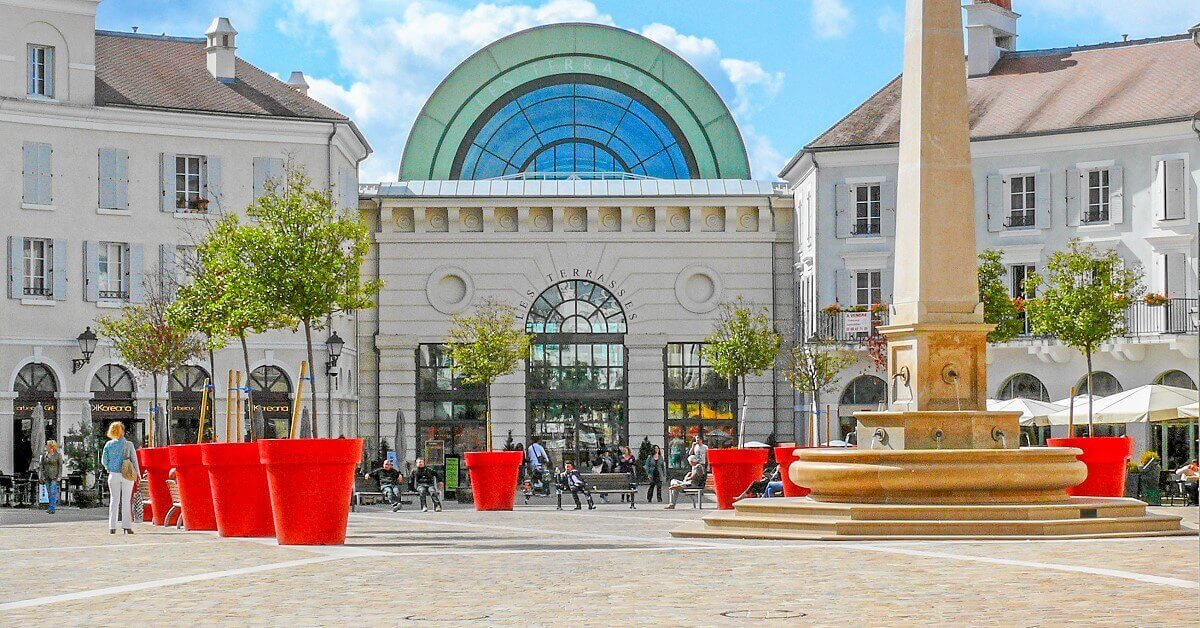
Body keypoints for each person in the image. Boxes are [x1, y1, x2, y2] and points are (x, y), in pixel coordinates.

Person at [101, 422, 139, 534]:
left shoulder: (108, 445)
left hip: (113, 474)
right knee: (126, 500)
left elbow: (104, 460)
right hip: (126, 474)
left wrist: (108, 467)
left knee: (114, 500)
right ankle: (126, 526)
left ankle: (112, 526)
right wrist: (138, 474)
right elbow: (134, 460)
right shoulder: (129, 444)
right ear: (122, 430)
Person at [38, 440, 64, 514]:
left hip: (54, 477)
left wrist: (59, 476)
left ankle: (52, 508)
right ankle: (51, 507)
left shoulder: (58, 455)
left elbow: (60, 466)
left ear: (51, 446)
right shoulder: (44, 455)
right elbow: (41, 466)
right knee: (49, 492)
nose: (46, 446)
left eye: (47, 445)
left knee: (53, 491)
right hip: (47, 476)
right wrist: (41, 475)